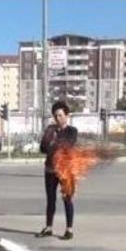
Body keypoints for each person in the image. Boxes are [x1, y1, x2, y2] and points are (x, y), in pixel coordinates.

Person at [36, 101, 78, 240]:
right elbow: (43, 148)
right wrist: (53, 143)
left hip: (65, 170)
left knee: (67, 198)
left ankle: (69, 229)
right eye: (55, 116)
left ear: (67, 116)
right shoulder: (50, 129)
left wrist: (53, 143)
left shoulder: (72, 131)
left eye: (60, 115)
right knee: (50, 200)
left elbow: (67, 146)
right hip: (50, 170)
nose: (57, 118)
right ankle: (48, 227)